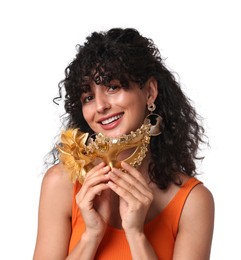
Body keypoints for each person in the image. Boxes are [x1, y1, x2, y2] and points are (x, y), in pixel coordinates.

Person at [33, 28, 215, 260]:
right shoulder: (60, 184)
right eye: (88, 97)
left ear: (149, 92)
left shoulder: (192, 201)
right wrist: (91, 235)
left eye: (113, 86)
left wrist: (136, 235)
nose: (100, 106)